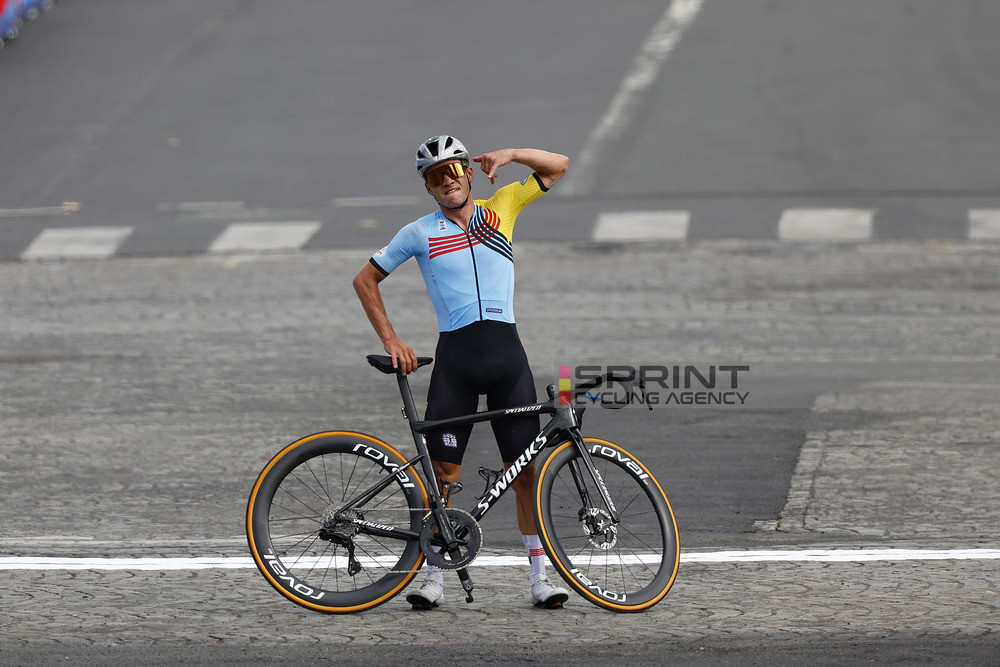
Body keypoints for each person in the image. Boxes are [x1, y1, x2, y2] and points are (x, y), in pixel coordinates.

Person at [353, 135, 571, 610]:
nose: (447, 180)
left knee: (525, 472)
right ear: (428, 189)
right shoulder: (419, 232)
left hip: (507, 358)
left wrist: (511, 154)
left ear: (469, 173)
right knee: (445, 475)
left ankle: (540, 577)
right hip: (456, 362)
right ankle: (434, 574)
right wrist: (391, 339)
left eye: (454, 170)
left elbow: (558, 166)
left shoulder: (504, 205)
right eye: (436, 177)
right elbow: (364, 279)